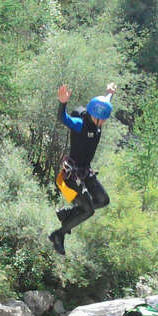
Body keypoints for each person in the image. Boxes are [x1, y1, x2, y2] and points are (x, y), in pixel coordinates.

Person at [49, 82, 116, 255]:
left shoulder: (98, 120)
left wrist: (109, 93)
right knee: (88, 211)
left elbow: (104, 103)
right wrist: (62, 103)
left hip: (85, 171)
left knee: (103, 200)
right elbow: (63, 118)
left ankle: (67, 214)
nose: (103, 123)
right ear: (95, 115)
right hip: (72, 175)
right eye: (102, 119)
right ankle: (58, 235)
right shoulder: (80, 124)